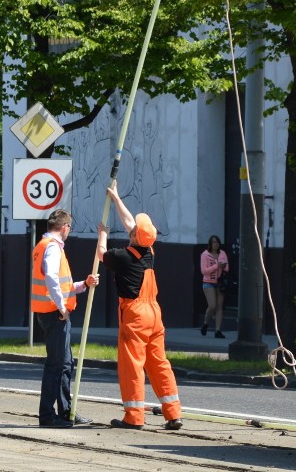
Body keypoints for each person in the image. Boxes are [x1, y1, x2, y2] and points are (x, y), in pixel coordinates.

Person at [97, 182, 183, 431]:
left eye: (135, 229)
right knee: (159, 362)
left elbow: (102, 253)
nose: (131, 228)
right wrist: (116, 198)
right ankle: (173, 413)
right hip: (155, 313)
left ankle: (134, 416)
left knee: (132, 364)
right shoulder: (149, 252)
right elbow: (130, 225)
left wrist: (102, 232)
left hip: (134, 313)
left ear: (135, 237)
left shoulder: (122, 257)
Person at [31, 209, 100, 428]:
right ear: (65, 227)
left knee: (64, 364)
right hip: (54, 314)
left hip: (50, 312)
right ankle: (48, 415)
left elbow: (62, 284)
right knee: (56, 364)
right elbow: (51, 277)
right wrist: (61, 307)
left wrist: (84, 285)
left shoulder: (44, 246)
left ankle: (65, 411)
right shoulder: (52, 247)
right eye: (70, 227)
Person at [200, 235, 230, 339]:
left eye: (217, 242)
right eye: (213, 242)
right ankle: (205, 323)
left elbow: (227, 268)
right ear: (210, 244)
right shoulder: (205, 255)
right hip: (208, 282)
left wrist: (223, 266)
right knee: (212, 305)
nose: (216, 244)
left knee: (219, 306)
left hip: (220, 282)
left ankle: (218, 330)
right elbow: (204, 271)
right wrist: (217, 266)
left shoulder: (222, 253)